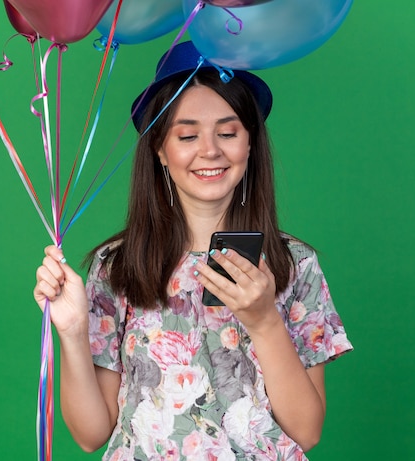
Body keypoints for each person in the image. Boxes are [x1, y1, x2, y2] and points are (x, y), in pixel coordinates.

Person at [34, 41, 353, 460]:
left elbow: (307, 431)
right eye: (187, 135)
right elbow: (91, 435)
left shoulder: (294, 264)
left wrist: (264, 322)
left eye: (227, 132)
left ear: (250, 143)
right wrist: (73, 333)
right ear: (160, 149)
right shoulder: (117, 267)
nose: (210, 151)